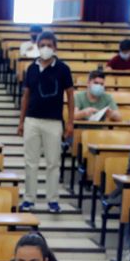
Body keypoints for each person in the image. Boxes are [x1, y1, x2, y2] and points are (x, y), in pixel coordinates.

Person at [17, 31, 75, 214]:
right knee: (30, 162)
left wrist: (70, 122)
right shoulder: (31, 68)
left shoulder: (63, 68)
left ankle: (53, 200)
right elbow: (26, 96)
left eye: (49, 45)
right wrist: (21, 121)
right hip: (32, 120)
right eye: (43, 45)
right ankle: (29, 199)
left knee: (53, 163)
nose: (46, 48)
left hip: (54, 121)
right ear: (38, 46)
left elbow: (70, 96)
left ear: (55, 47)